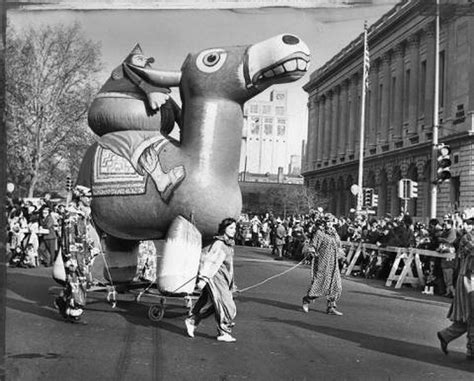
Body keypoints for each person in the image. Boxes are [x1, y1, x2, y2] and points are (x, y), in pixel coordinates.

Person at [185, 218, 237, 342]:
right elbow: (210, 262)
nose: (234, 231)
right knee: (228, 305)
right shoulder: (219, 244)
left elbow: (229, 267)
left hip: (223, 279)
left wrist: (232, 284)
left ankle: (192, 320)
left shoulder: (228, 244)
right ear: (224, 229)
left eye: (235, 228)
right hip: (215, 277)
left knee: (211, 303)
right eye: (231, 228)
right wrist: (203, 279)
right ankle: (224, 332)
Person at [437, 217, 474, 360]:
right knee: (471, 314)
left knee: (469, 315)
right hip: (468, 279)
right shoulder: (468, 238)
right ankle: (472, 350)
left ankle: (446, 335)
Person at [302, 214, 344, 316]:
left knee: (336, 286)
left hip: (333, 264)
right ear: (324, 223)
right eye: (328, 222)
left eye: (331, 222)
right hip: (322, 263)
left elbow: (339, 246)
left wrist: (341, 254)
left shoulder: (334, 234)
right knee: (320, 284)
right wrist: (312, 251)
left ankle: (331, 307)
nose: (329, 224)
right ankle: (307, 300)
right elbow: (313, 245)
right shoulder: (320, 233)